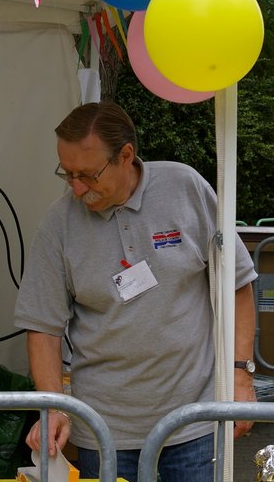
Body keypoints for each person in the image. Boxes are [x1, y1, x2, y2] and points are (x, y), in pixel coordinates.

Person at [13, 102, 257, 481]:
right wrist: (54, 407)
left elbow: (239, 284)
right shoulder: (58, 225)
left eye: (88, 175)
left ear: (126, 155)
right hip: (104, 430)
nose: (77, 189)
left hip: (194, 420)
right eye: (68, 174)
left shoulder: (185, 187)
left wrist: (241, 375)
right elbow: (42, 329)